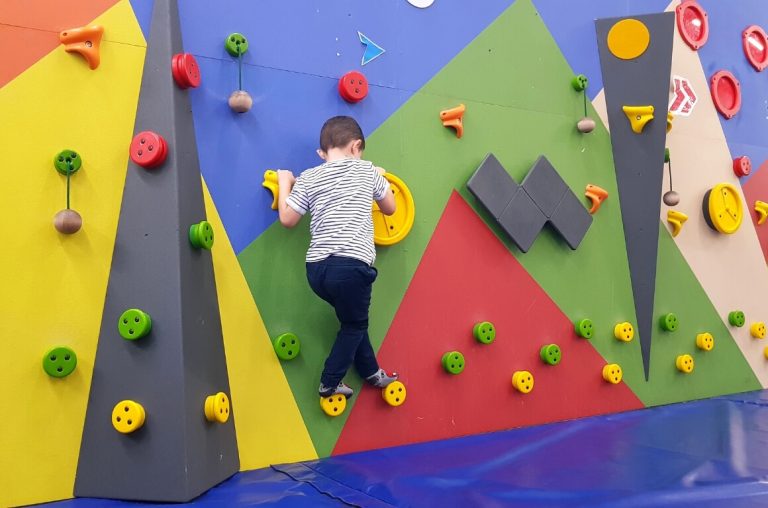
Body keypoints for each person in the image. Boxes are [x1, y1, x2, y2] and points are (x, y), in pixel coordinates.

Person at [276, 116, 399, 398]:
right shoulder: (367, 171)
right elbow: (390, 208)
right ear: (356, 146)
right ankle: (329, 382)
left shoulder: (308, 177)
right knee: (355, 323)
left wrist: (286, 182)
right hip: (351, 267)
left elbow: (287, 219)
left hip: (316, 271)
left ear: (322, 154)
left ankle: (371, 371)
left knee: (352, 320)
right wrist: (380, 176)